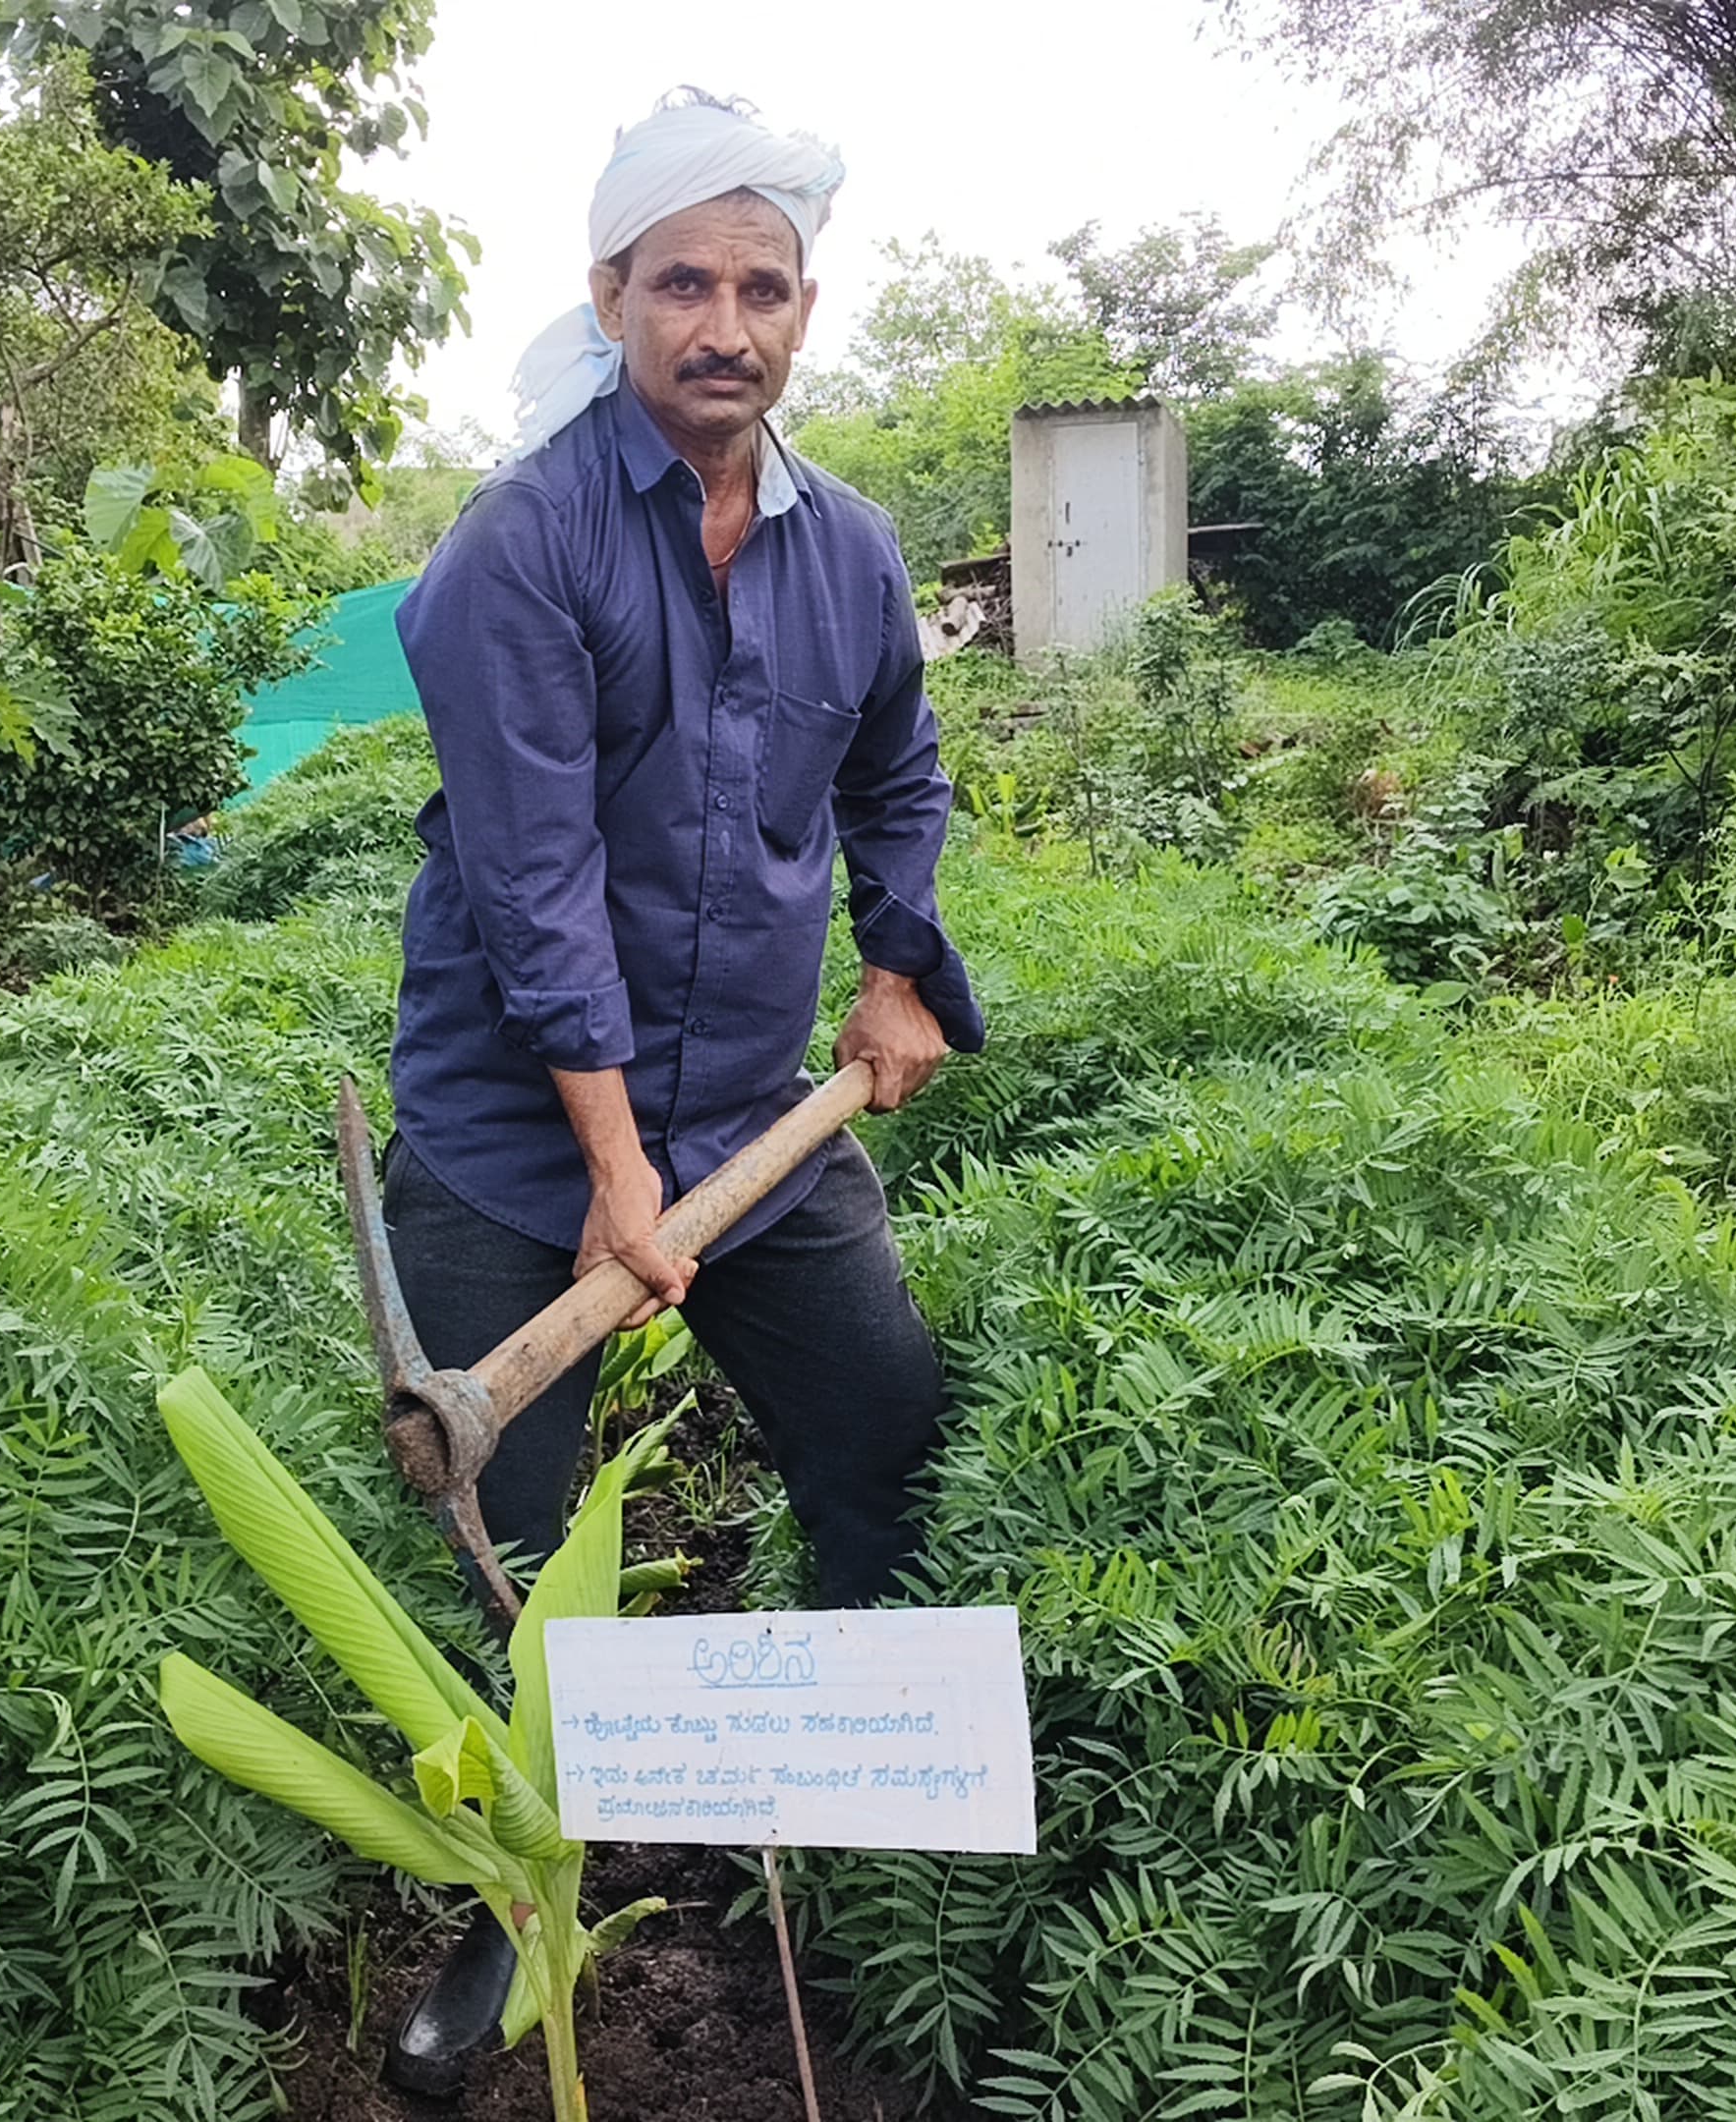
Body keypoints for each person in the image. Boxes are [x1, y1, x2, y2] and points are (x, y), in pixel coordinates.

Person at [374, 85, 984, 2092]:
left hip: (752, 1119)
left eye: (765, 288)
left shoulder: (855, 557)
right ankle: (504, 1910)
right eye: (686, 284)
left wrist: (898, 972)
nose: (727, 324)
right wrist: (613, 1179)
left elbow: (897, 777)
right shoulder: (519, 549)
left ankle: (829, 1801)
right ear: (614, 295)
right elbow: (534, 885)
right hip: (506, 1131)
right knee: (518, 1545)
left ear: (804, 312)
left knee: (882, 1431)